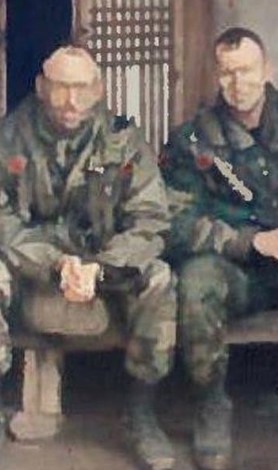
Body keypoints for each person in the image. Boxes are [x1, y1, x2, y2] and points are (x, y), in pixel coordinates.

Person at [0, 46, 177, 470]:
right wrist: (55, 263)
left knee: (160, 278)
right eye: (60, 87)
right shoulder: (7, 138)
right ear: (41, 87)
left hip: (103, 269)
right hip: (30, 268)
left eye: (81, 88)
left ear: (98, 89)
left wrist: (101, 267)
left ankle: (141, 413)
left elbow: (150, 220)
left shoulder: (123, 141)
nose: (71, 101)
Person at [161, 27, 278, 470]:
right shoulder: (192, 141)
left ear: (266, 70)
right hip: (239, 271)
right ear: (216, 75)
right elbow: (175, 225)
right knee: (196, 281)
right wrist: (249, 242)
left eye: (246, 70)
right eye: (227, 73)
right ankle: (211, 404)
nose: (238, 83)